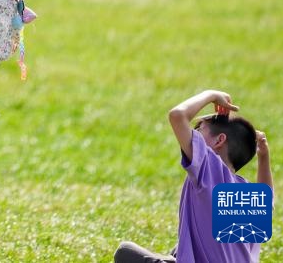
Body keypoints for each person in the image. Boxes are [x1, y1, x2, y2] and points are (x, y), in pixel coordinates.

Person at [114, 89, 272, 263]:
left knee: (125, 251)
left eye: (199, 129)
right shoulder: (246, 194)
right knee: (180, 247)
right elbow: (267, 197)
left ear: (219, 141)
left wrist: (211, 94)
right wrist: (263, 156)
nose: (193, 134)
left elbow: (177, 115)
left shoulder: (209, 167)